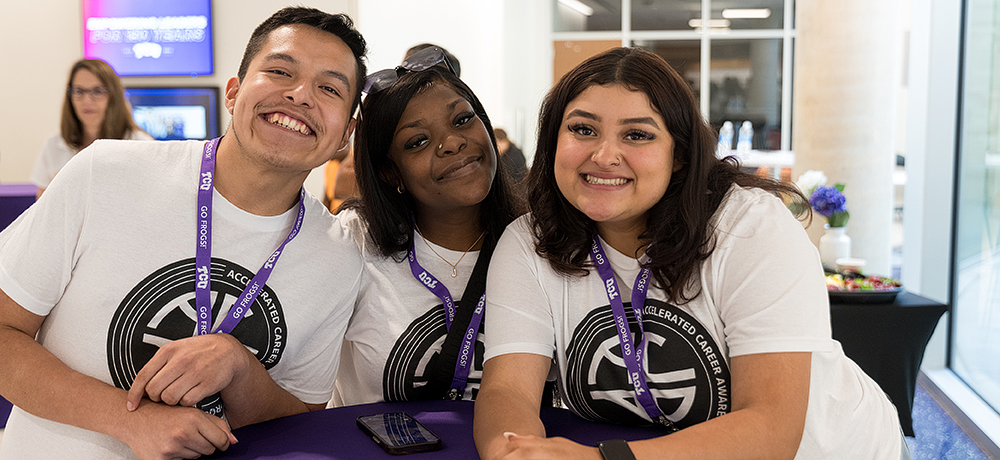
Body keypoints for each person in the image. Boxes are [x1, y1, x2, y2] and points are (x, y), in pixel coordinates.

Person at [473, 47, 908, 460]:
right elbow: (507, 391)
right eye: (582, 129)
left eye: (637, 135)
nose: (604, 155)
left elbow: (771, 428)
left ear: (679, 155)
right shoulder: (529, 242)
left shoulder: (750, 229)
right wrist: (514, 451)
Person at [0, 7, 367, 459]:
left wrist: (239, 367)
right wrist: (128, 419)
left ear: (346, 133)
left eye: (329, 88)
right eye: (279, 71)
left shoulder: (337, 258)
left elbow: (302, 418)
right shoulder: (105, 174)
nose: (300, 95)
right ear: (233, 93)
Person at [332, 46, 524, 405]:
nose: (452, 142)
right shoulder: (353, 242)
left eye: (463, 120)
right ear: (390, 172)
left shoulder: (538, 245)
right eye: (418, 141)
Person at [31, 59, 153, 199]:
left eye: (97, 91)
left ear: (113, 96)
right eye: (79, 91)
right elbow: (43, 209)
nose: (87, 100)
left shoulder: (141, 145)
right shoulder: (54, 145)